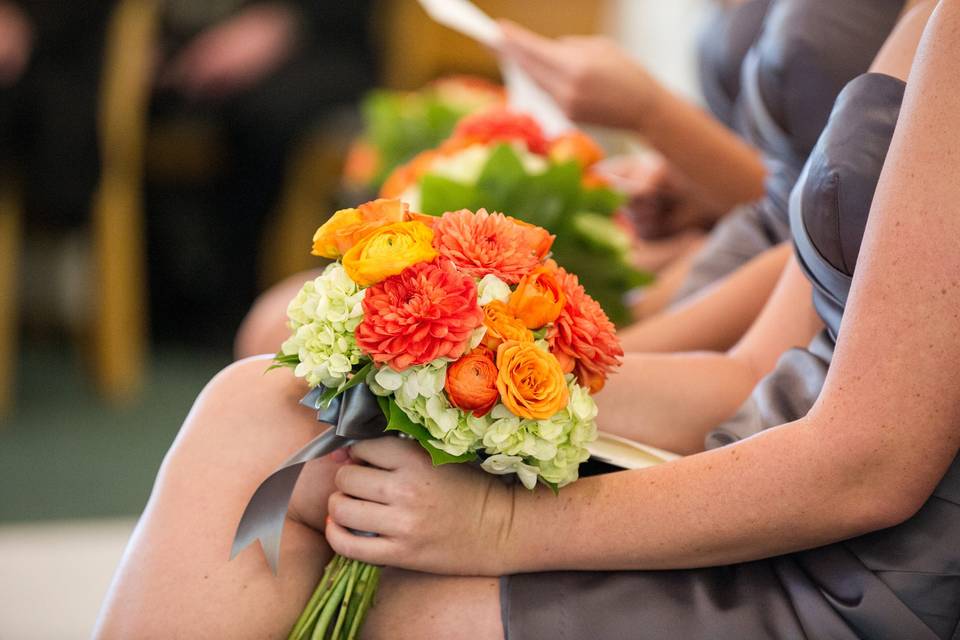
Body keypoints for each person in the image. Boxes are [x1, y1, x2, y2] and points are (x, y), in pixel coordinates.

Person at [95, 2, 960, 636]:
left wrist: (504, 527)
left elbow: (871, 464)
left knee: (349, 559)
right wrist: (457, 355)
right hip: (766, 435)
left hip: (857, 564)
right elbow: (747, 372)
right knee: (263, 401)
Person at [233, 0, 904, 359]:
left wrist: (652, 116)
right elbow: (781, 157)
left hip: (779, 287)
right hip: (723, 248)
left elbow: (849, 212)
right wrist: (686, 188)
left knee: (295, 336)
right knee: (284, 324)